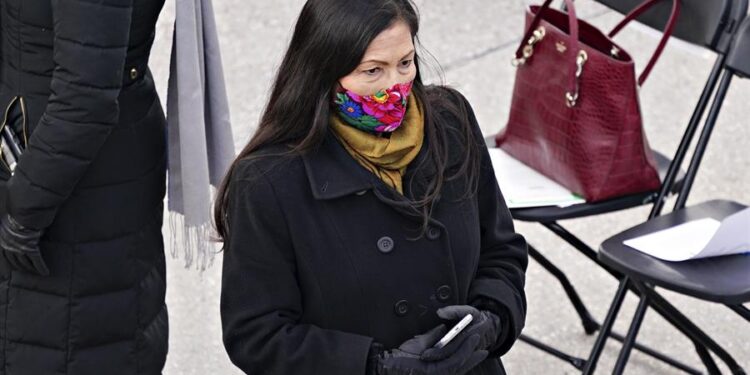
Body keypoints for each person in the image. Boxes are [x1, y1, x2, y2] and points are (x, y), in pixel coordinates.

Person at [215, 0, 528, 374]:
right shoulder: (269, 181)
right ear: (324, 74)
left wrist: (491, 323)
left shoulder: (450, 122)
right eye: (372, 71)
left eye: (405, 63)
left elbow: (501, 249)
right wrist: (376, 367)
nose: (395, 86)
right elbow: (256, 334)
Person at [0, 0, 169, 373]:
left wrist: (23, 210)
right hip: (61, 161)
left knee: (72, 344)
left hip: (67, 179)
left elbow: (85, 95)